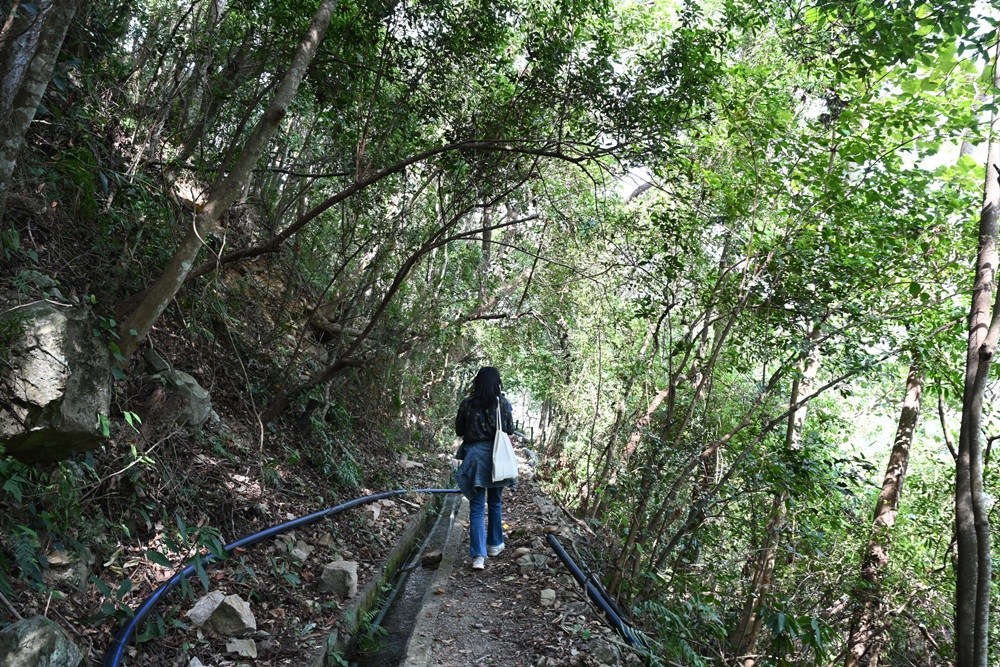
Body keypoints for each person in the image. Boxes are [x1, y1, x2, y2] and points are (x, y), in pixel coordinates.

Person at [454, 366, 516, 570]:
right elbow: (510, 429)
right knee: (495, 502)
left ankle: (478, 556)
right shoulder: (502, 404)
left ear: (477, 382)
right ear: (497, 383)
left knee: (477, 507)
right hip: (498, 457)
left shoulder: (467, 403)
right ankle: (495, 545)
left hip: (474, 457)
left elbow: (459, 430)